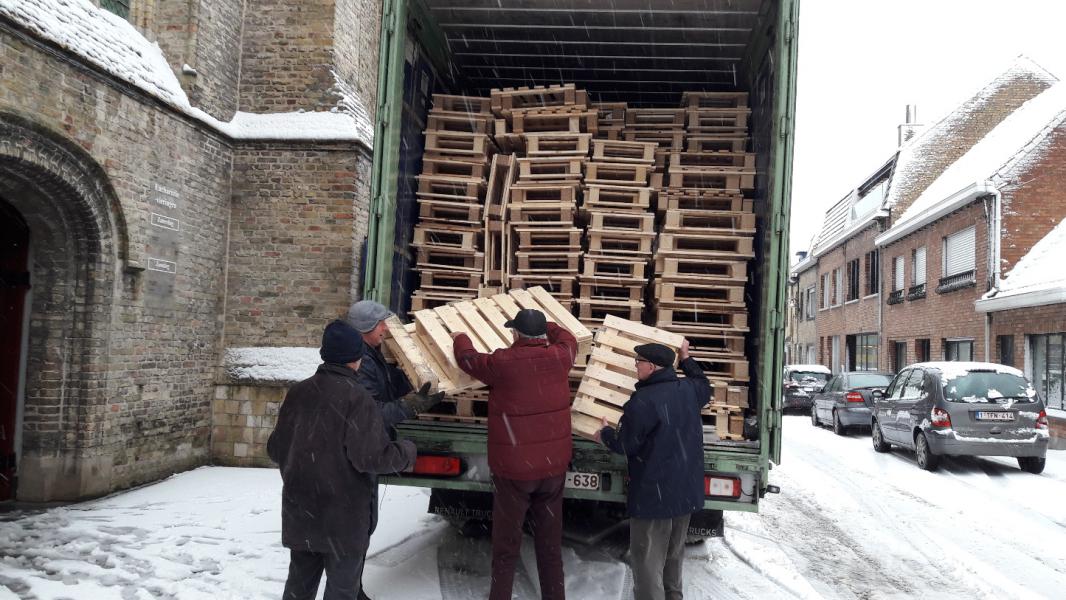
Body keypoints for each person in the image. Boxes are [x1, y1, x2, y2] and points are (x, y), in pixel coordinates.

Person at [267, 319, 417, 600]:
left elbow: (275, 449)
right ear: (356, 358)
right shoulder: (358, 398)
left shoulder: (297, 392)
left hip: (302, 514)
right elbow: (371, 458)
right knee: (342, 592)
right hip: (343, 520)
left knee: (298, 590)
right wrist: (407, 452)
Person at [451, 308, 577, 600]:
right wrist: (548, 324)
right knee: (549, 546)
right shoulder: (561, 357)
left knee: (506, 547)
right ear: (542, 335)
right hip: (552, 470)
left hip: (513, 474)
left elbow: (467, 359)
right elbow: (569, 337)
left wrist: (461, 338)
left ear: (516, 334)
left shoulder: (502, 362)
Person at [596, 340, 710, 600]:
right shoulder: (689, 390)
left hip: (653, 496)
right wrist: (687, 359)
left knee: (647, 562)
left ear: (652, 366)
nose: (635, 366)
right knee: (673, 556)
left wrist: (604, 434)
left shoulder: (643, 402)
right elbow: (704, 384)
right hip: (684, 493)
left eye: (638, 362)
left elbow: (625, 445)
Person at [347, 300, 441, 438]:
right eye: (381, 324)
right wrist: (409, 407)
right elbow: (369, 414)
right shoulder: (361, 362)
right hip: (366, 442)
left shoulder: (370, 352)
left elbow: (387, 385)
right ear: (367, 328)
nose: (385, 328)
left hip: (376, 437)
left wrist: (416, 378)